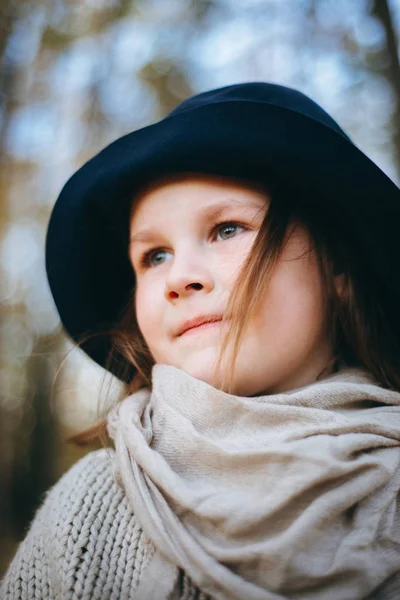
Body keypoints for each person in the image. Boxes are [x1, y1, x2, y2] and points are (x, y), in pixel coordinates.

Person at [2, 82, 400, 600]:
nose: (178, 276)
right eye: (155, 255)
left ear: (339, 265)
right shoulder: (88, 507)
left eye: (228, 229)